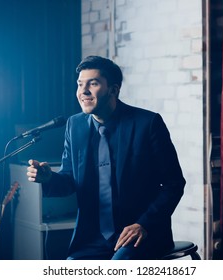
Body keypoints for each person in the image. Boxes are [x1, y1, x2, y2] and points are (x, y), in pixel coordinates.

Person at [26, 55, 185, 260]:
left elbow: (174, 184)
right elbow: (69, 180)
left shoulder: (148, 124)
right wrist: (48, 178)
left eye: (93, 84)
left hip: (140, 234)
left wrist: (144, 224)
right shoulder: (74, 126)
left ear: (114, 89)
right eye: (80, 84)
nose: (83, 91)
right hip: (92, 239)